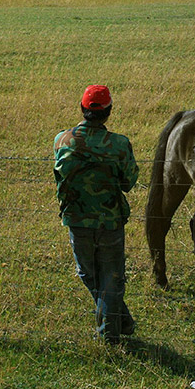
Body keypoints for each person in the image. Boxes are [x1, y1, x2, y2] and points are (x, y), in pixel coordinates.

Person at [53, 84, 139, 345]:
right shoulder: (119, 144)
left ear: (82, 108)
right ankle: (116, 324)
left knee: (87, 273)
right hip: (110, 221)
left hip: (77, 220)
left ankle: (110, 332)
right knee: (110, 278)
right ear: (109, 111)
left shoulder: (62, 140)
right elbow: (129, 183)